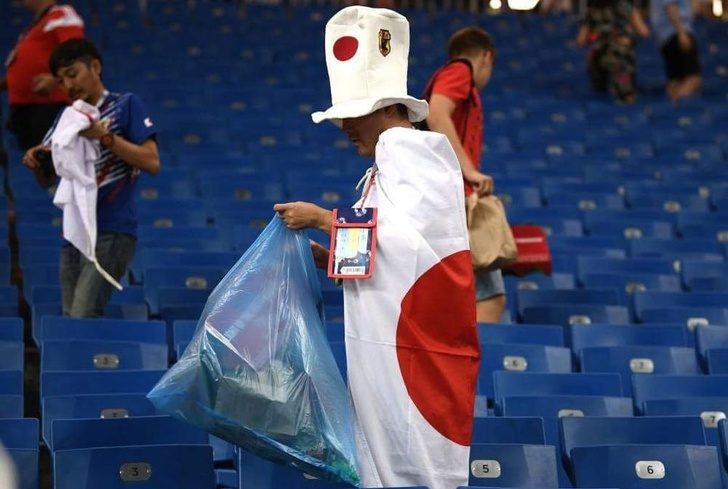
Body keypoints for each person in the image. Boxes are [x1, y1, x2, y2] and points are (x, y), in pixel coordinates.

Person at [274, 6, 480, 489]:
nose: (345, 127)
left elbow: (410, 248)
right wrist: (327, 255)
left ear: (389, 110)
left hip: (411, 341)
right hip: (387, 339)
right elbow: (387, 251)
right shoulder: (395, 158)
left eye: (354, 114)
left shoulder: (407, 150)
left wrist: (322, 219)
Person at [22, 38, 160, 317]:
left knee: (82, 315)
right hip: (73, 232)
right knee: (70, 322)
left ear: (95, 67)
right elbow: (48, 181)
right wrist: (36, 163)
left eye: (73, 74)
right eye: (61, 80)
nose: (69, 85)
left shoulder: (125, 105)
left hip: (112, 229)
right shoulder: (66, 118)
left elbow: (151, 162)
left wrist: (105, 137)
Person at [424, 27, 506, 324]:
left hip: (440, 200)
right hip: (451, 200)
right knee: (490, 299)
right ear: (486, 57)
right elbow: (436, 113)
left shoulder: (452, 74)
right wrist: (469, 170)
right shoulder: (460, 71)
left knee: (458, 300)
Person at [2, 0, 84, 151]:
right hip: (26, 110)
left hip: (49, 106)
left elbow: (77, 53)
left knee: (53, 159)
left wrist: (55, 79)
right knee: (36, 159)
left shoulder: (61, 14)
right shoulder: (35, 26)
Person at [577, 0, 650, 104]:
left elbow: (581, 41)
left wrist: (597, 37)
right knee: (622, 93)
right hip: (612, 59)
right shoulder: (623, 7)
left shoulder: (593, 9)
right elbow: (644, 32)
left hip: (606, 59)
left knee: (607, 92)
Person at [650, 0, 702, 102]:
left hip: (665, 36)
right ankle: (679, 103)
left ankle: (673, 104)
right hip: (675, 32)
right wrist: (681, 32)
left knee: (675, 80)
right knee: (692, 79)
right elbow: (670, 6)